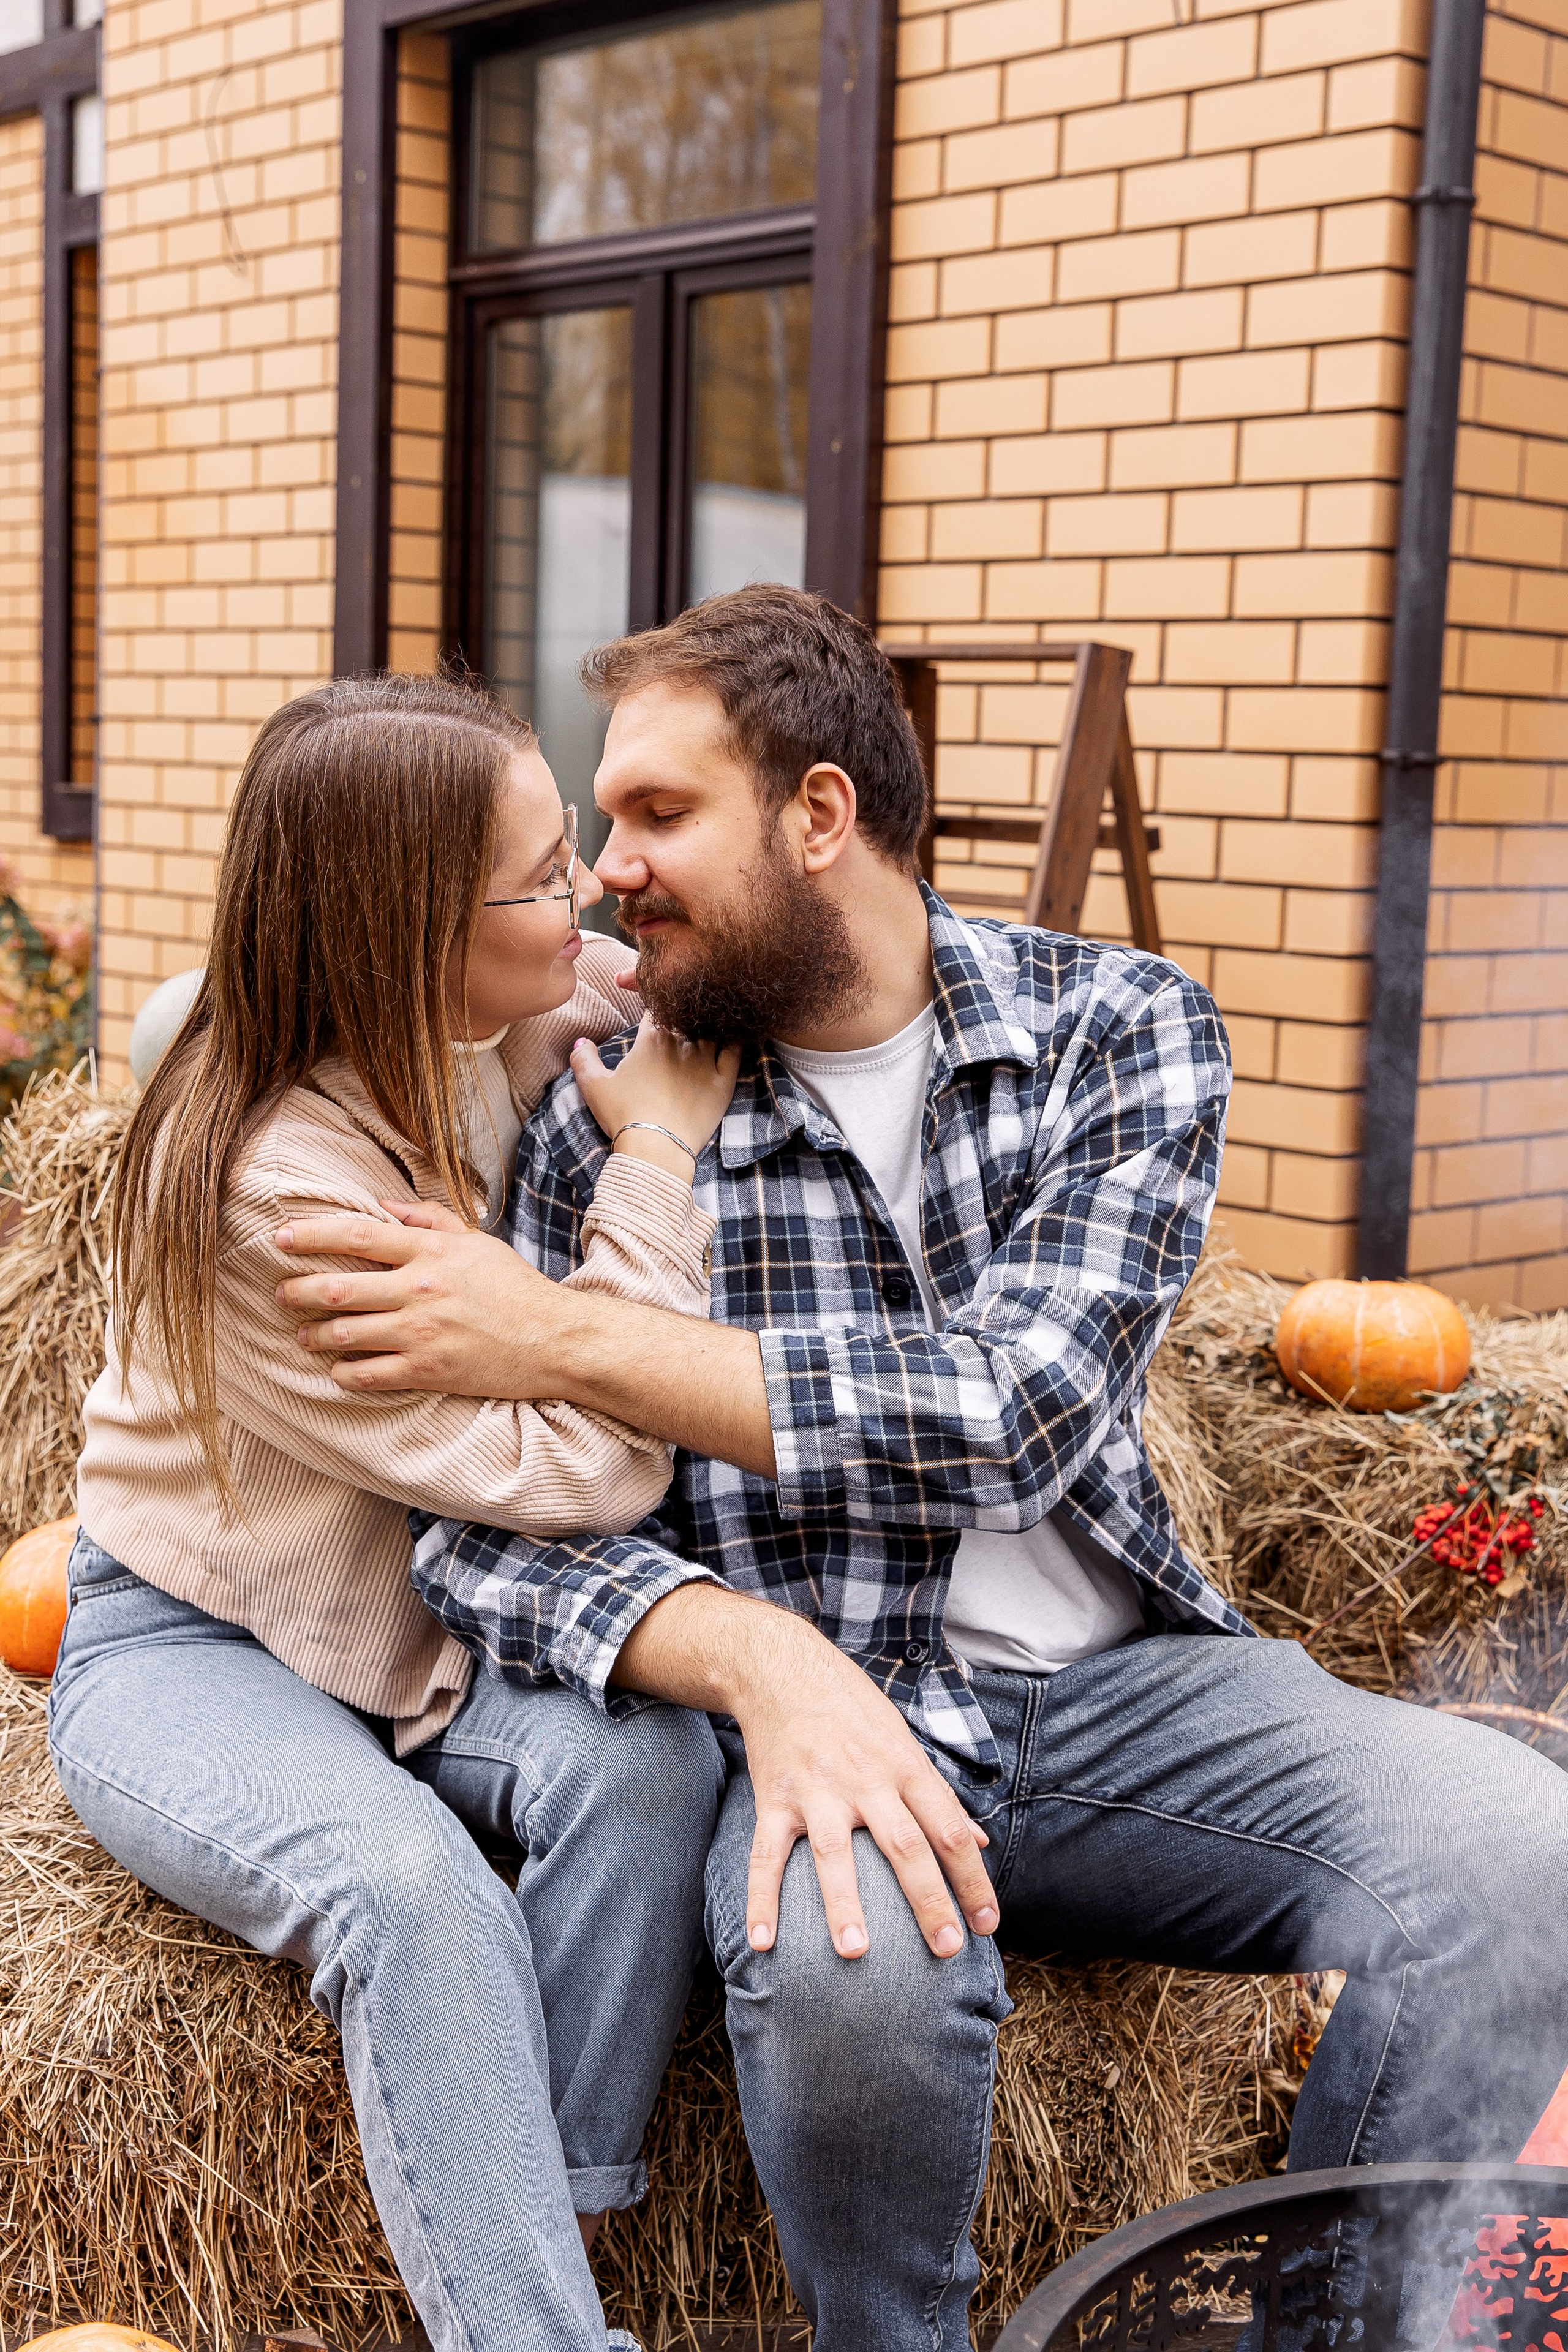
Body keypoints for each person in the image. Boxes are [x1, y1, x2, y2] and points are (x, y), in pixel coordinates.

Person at [277, 591, 1568, 2352]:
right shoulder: (598, 1114)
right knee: (848, 1983)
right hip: (824, 1724)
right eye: (600, 829)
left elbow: (1014, 1410)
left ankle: (1325, 2323)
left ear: (819, 817)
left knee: (1526, 1856)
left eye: (658, 817)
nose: (603, 877)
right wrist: (752, 1654)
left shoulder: (1124, 1029)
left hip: (1129, 1700)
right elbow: (487, 1544)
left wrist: (563, 1336)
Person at [50, 673, 741, 2352]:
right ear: (409, 929)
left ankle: (556, 2229)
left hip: (425, 1622)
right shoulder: (277, 1194)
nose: (582, 891)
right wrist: (653, 1164)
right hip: (199, 1649)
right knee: (412, 1897)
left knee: (652, 1767)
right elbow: (592, 1468)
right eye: (539, 876)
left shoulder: (456, 1021)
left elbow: (663, 972)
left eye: (570, 841)